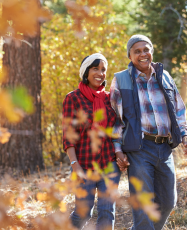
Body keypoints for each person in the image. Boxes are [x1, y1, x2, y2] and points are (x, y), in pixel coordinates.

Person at [110, 35, 187, 230]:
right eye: (137, 51)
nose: (142, 54)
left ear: (151, 51)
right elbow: (115, 118)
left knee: (167, 203)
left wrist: (185, 134)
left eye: (146, 49)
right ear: (130, 55)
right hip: (139, 148)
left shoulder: (164, 76)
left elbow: (178, 109)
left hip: (164, 148)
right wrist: (117, 149)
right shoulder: (121, 79)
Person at [62, 53, 125, 230]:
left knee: (107, 211)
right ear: (86, 72)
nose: (100, 73)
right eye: (95, 68)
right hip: (83, 163)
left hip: (109, 163)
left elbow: (117, 128)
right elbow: (68, 136)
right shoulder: (73, 98)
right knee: (83, 213)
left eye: (103, 69)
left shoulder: (110, 98)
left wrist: (119, 152)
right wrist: (75, 165)